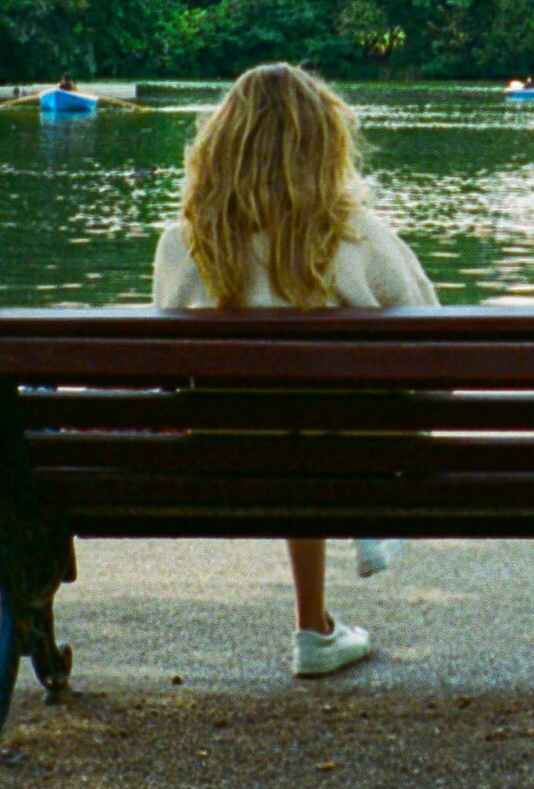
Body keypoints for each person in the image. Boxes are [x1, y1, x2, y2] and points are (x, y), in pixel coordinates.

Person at [151, 62, 440, 677]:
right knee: (325, 418)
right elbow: (435, 339)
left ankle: (315, 627)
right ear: (325, 145)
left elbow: (165, 371)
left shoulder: (186, 244)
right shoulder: (356, 237)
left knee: (285, 421)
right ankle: (369, 514)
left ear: (219, 145)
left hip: (224, 461)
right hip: (346, 458)